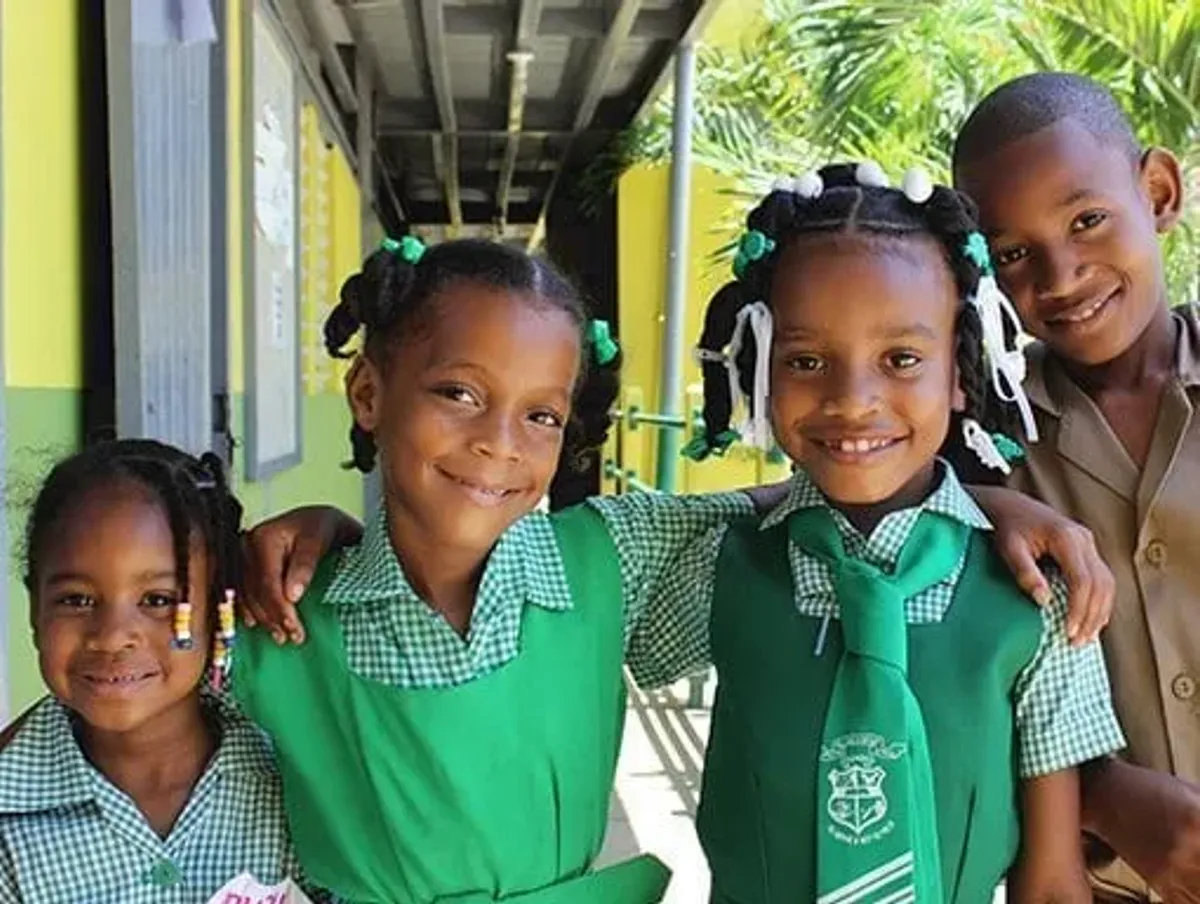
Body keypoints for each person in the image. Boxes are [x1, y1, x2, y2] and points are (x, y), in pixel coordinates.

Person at [231, 236, 775, 904]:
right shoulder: (274, 613)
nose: (499, 440)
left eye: (542, 415)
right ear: (368, 393)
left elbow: (791, 503)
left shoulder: (611, 559)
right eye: (460, 393)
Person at [638, 162, 1125, 902]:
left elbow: (1052, 881)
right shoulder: (715, 564)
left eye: (902, 359)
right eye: (805, 360)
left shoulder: (1038, 598)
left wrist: (990, 507)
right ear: (762, 367)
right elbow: (555, 567)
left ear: (960, 371)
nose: (853, 400)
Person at [951, 71, 1200, 903]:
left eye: (1088, 220)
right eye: (1014, 254)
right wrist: (1100, 790)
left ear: (1158, 192)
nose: (1059, 277)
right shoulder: (985, 449)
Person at [0, 440, 309, 902]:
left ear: (218, 609)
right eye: (76, 600)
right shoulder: (9, 811)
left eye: (158, 601)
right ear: (34, 611)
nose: (112, 636)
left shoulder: (297, 774)